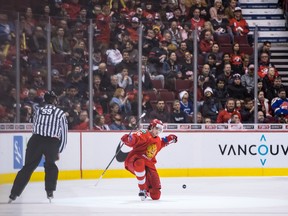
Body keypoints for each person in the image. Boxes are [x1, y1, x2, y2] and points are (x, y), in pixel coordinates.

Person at [8, 91, 68, 203]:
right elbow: (64, 133)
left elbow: (32, 122)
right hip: (51, 142)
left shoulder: (38, 111)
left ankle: (13, 193)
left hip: (35, 140)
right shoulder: (60, 113)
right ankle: (50, 191)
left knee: (27, 167)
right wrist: (59, 149)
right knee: (51, 166)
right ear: (54, 100)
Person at [120, 119, 177, 201]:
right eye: (157, 128)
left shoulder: (157, 140)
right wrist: (129, 140)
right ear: (151, 127)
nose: (158, 131)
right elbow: (135, 139)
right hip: (135, 160)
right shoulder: (144, 134)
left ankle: (147, 192)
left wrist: (169, 138)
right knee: (140, 162)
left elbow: (162, 143)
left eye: (160, 129)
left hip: (149, 164)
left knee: (156, 195)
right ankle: (142, 188)